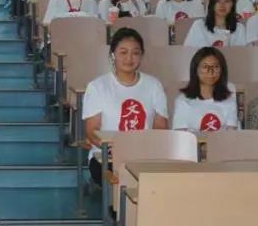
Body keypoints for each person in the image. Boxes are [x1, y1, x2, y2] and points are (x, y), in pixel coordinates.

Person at [83, 28, 168, 184]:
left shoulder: (154, 85)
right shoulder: (97, 87)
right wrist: (113, 148)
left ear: (141, 56)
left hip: (145, 157)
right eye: (123, 52)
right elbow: (92, 130)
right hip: (107, 157)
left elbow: (160, 128)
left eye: (135, 53)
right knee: (124, 178)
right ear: (113, 55)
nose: (129, 58)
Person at [172, 47, 238, 132]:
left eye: (216, 67)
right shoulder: (183, 101)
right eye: (205, 67)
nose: (210, 72)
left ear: (222, 70)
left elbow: (231, 134)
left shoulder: (229, 100)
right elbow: (180, 135)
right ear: (196, 70)